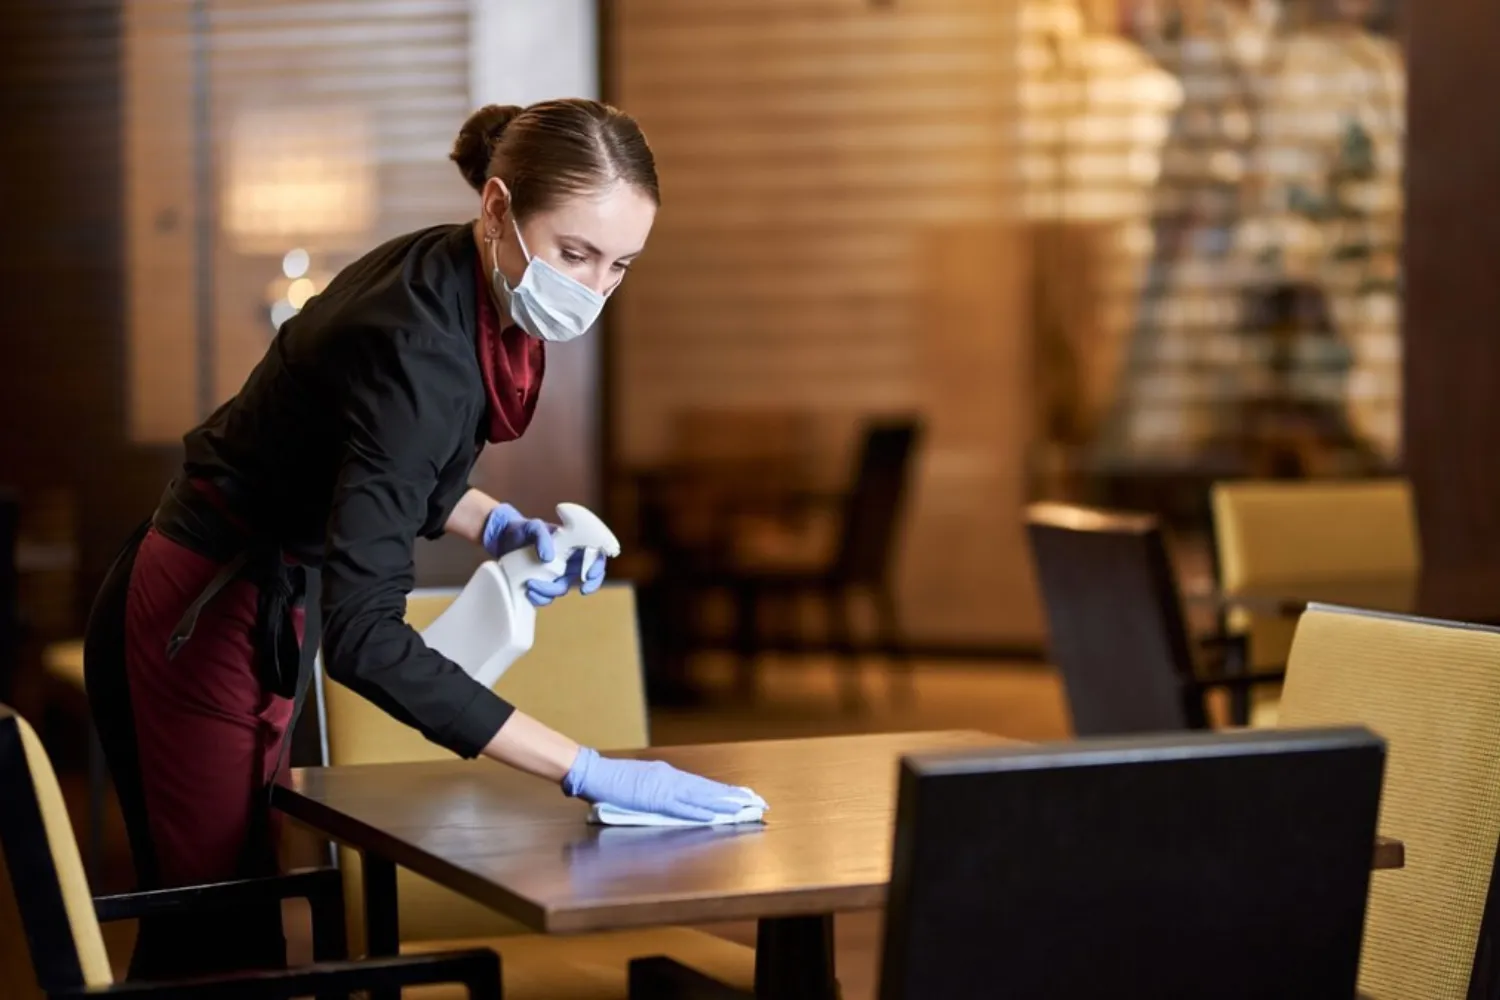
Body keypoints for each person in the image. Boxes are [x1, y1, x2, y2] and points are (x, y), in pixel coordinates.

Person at [83, 98, 763, 981]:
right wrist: (586, 768)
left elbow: (389, 461)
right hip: (201, 613)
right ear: (498, 208)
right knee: (221, 940)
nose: (595, 289)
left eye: (619, 265)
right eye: (575, 253)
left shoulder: (455, 269)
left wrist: (497, 526)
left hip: (254, 599)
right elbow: (366, 640)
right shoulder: (420, 342)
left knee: (232, 919)